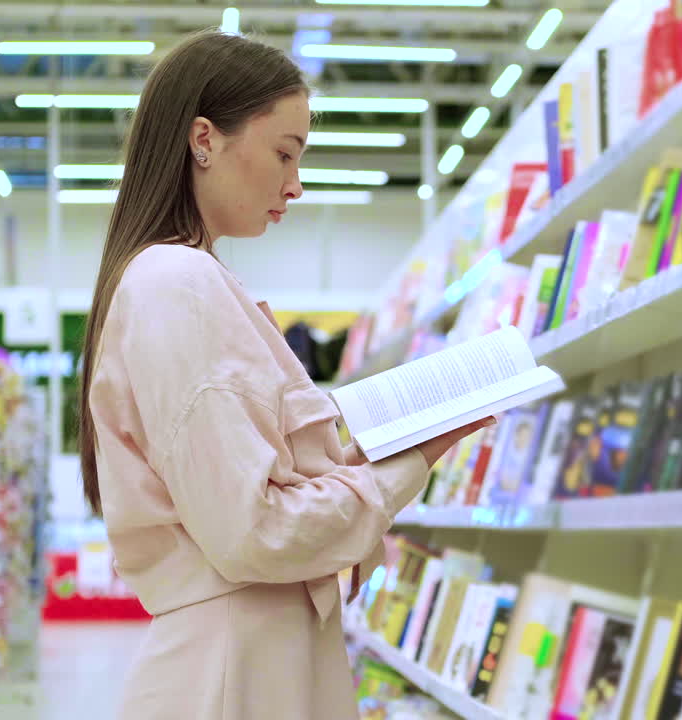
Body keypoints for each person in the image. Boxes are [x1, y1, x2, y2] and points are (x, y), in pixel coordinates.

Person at [75, 31, 489, 719]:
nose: (294, 184)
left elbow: (247, 495)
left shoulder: (187, 280)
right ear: (203, 139)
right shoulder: (175, 283)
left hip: (247, 654)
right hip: (237, 667)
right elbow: (252, 530)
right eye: (284, 153)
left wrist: (364, 460)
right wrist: (404, 465)